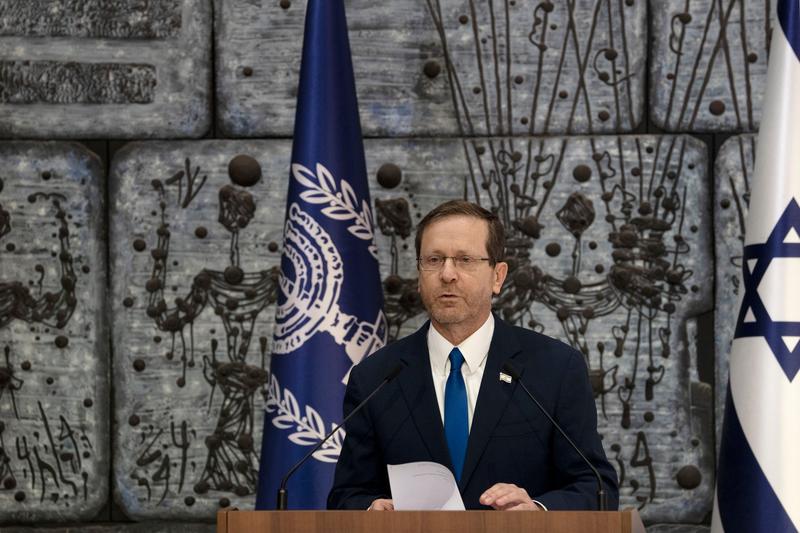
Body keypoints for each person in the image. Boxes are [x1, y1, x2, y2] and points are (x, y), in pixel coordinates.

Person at [327, 200, 619, 511]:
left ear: (498, 276)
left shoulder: (555, 369)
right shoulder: (376, 377)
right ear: (419, 273)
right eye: (434, 259)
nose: (447, 274)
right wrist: (371, 509)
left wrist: (537, 511)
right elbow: (347, 495)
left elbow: (596, 488)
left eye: (465, 259)